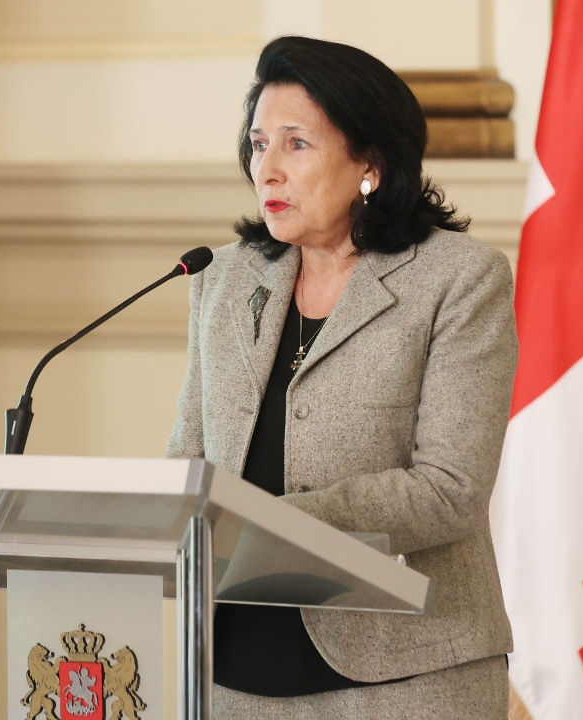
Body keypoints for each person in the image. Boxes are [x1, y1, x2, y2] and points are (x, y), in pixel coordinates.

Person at [167, 35, 517, 719]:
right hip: (228, 677)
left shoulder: (459, 280)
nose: (267, 169)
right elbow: (189, 460)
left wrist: (268, 527)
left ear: (370, 165)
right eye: (258, 144)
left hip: (406, 678)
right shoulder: (224, 279)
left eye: (295, 144)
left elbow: (450, 489)